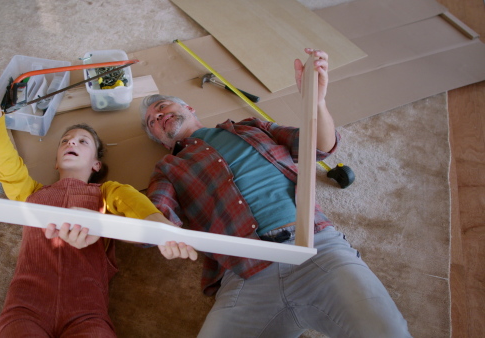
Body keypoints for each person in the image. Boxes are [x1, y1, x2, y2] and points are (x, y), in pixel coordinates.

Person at [139, 49, 411, 337]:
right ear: (157, 138)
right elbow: (154, 216)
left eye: (162, 107)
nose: (158, 116)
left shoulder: (250, 126)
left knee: (386, 331)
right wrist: (153, 229)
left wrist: (316, 102)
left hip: (317, 249)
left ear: (190, 108)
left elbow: (319, 146)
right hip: (246, 275)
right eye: (152, 122)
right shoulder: (167, 169)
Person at [0, 24, 196, 337]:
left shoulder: (108, 192)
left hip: (87, 313)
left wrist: (161, 228)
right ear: (55, 160)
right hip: (26, 308)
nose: (71, 144)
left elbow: (138, 208)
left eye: (82, 141)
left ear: (96, 164)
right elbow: (1, 156)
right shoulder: (30, 193)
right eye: (66, 140)